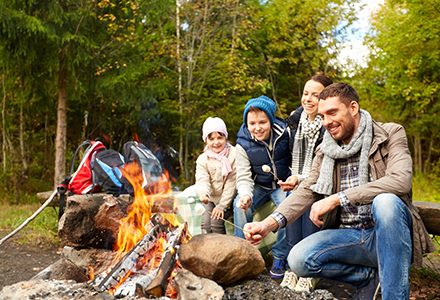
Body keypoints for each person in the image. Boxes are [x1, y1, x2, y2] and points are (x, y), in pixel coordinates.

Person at [244, 83, 436, 300]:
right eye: (322, 115)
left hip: (386, 233)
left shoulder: (390, 133)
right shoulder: (325, 148)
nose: (326, 122)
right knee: (298, 259)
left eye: (332, 113)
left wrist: (337, 199)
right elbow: (307, 189)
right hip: (348, 236)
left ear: (353, 108)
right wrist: (267, 224)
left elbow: (400, 181)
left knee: (386, 202)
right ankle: (366, 278)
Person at [278, 74, 333, 292]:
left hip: (319, 186)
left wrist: (299, 179)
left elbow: (323, 168)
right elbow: (284, 154)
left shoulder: (328, 126)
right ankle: (292, 269)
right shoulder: (295, 121)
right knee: (291, 222)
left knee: (309, 225)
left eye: (316, 96)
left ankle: (309, 273)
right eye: (305, 93)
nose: (308, 99)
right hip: (296, 181)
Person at [233, 95, 291, 279]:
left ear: (271, 120)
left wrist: (292, 179)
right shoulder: (242, 144)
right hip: (258, 185)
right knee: (239, 206)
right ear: (246, 124)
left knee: (288, 208)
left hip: (282, 184)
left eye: (262, 122)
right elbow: (243, 176)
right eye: (252, 123)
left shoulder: (286, 134)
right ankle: (242, 254)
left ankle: (280, 255)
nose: (257, 128)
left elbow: (296, 160)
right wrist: (245, 195)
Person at [195, 117, 236, 234]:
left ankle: (221, 249)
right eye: (211, 139)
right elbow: (202, 179)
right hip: (211, 198)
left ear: (225, 137)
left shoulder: (233, 155)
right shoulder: (203, 159)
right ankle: (207, 248)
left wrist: (222, 206)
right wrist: (203, 193)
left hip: (228, 199)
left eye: (220, 137)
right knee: (206, 223)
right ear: (206, 140)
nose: (216, 142)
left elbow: (231, 183)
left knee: (216, 220)